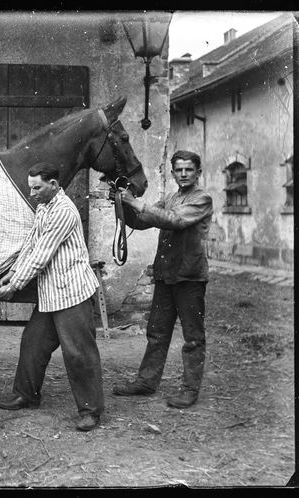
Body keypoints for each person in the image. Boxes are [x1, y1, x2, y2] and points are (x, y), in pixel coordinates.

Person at [0, 162, 104, 432]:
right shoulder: (44, 207)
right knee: (33, 343)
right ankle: (26, 394)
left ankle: (90, 410)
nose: (32, 193)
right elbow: (31, 244)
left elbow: (42, 255)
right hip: (50, 293)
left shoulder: (64, 211)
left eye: (37, 188)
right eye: (30, 187)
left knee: (78, 353)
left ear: (54, 185)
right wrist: (12, 272)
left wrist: (15, 285)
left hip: (72, 293)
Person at [111, 150, 213, 409]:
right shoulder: (170, 198)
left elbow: (175, 221)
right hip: (166, 274)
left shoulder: (202, 199)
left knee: (193, 337)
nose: (183, 174)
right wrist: (121, 201)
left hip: (190, 277)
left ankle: (190, 390)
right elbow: (143, 220)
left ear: (198, 173)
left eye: (189, 169)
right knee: (156, 332)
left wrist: (136, 203)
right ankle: (146, 382)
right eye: (178, 170)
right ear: (172, 172)